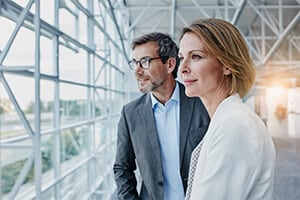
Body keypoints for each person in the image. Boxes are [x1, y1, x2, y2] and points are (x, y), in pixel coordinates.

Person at [178, 18, 276, 200]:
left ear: (227, 65)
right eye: (181, 58)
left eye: (196, 56)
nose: (182, 68)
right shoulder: (225, 120)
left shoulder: (235, 124)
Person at [113, 32, 210, 200]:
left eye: (145, 62)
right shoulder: (130, 114)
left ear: (170, 64)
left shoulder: (202, 104)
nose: (137, 71)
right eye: (135, 63)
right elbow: (122, 168)